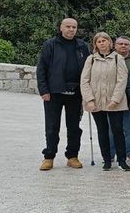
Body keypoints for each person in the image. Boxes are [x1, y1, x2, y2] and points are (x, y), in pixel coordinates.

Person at [37, 18, 90, 171]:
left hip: (76, 93)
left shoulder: (82, 46)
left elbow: (87, 70)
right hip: (54, 92)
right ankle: (49, 157)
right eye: (68, 26)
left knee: (74, 126)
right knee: (52, 126)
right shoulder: (50, 45)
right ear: (61, 27)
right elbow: (41, 69)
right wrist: (44, 90)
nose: (71, 29)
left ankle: (72, 156)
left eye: (74, 27)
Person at [80, 32, 130, 171]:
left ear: (110, 43)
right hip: (96, 102)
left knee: (117, 131)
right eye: (99, 41)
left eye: (104, 40)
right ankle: (106, 160)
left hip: (115, 102)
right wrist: (89, 100)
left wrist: (115, 100)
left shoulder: (117, 58)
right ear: (95, 44)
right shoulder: (91, 60)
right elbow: (84, 81)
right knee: (102, 131)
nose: (102, 43)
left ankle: (121, 160)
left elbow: (122, 80)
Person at [113, 36, 130, 162]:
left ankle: (129, 151)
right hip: (112, 99)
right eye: (120, 44)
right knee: (112, 128)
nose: (123, 46)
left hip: (129, 100)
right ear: (115, 45)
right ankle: (111, 153)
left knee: (129, 127)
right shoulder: (109, 59)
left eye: (126, 44)